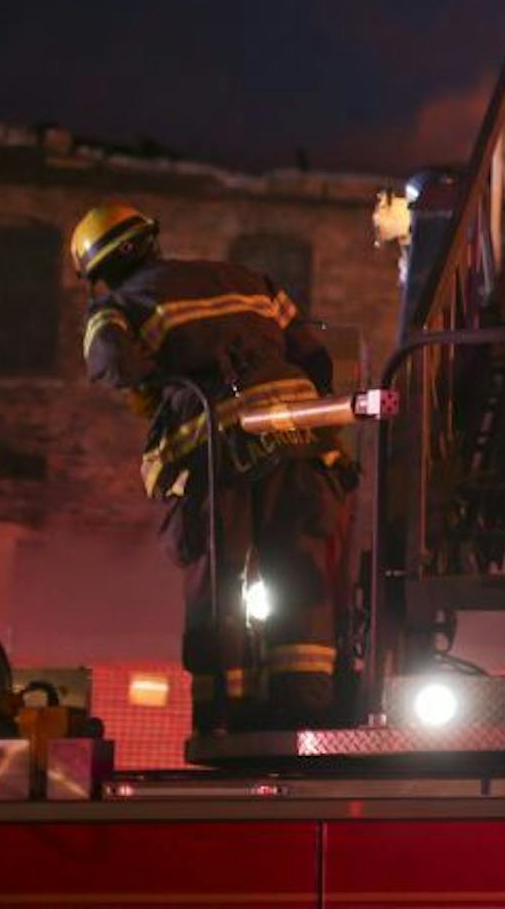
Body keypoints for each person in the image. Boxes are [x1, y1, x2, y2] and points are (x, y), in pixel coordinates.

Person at [72, 202, 352, 731]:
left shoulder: (122, 304)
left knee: (217, 578)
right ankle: (303, 702)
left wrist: (173, 371)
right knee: (300, 570)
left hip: (218, 452)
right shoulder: (251, 280)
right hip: (302, 440)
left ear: (100, 271)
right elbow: (316, 357)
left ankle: (224, 709)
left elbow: (113, 366)